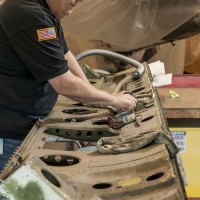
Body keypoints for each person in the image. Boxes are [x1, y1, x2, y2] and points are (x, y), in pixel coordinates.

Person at [0, 0, 137, 171]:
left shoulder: (44, 10)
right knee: (11, 190)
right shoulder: (30, 15)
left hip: (25, 123)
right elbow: (64, 84)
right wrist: (114, 101)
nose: (75, 5)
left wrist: (94, 95)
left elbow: (64, 54)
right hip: (8, 132)